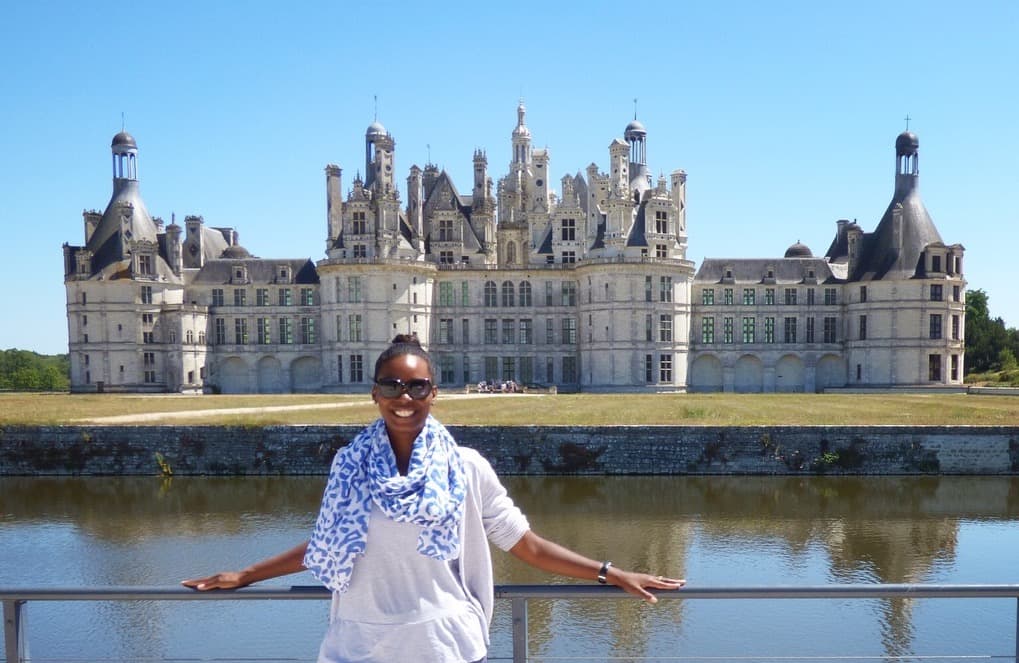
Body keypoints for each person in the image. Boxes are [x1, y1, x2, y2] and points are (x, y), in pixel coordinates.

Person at [183, 334, 684, 663]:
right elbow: (327, 548)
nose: (405, 397)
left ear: (434, 393)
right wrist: (246, 575)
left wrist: (609, 571)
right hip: (357, 645)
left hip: (442, 646)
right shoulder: (349, 466)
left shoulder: (465, 467)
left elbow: (525, 546)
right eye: (392, 385)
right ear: (375, 393)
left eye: (417, 386)